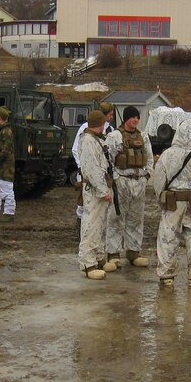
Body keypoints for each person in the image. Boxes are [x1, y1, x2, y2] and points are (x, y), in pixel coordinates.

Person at [151, 119, 191, 288]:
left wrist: (161, 197)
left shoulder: (167, 155)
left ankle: (167, 276)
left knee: (168, 238)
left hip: (172, 202)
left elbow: (158, 180)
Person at [103, 104, 153, 270]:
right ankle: (114, 253)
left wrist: (146, 177)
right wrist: (114, 179)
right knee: (116, 217)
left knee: (136, 219)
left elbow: (150, 158)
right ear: (126, 118)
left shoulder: (143, 137)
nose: (136, 120)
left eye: (137, 117)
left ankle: (134, 252)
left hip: (139, 182)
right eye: (132, 117)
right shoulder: (115, 136)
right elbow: (107, 159)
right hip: (121, 181)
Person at [77, 109, 113, 280]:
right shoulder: (89, 141)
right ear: (101, 124)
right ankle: (87, 263)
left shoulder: (95, 140)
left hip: (99, 187)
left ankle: (98, 258)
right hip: (94, 190)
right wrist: (103, 191)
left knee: (100, 225)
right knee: (91, 225)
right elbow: (92, 170)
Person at [72, 102, 115, 221]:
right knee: (84, 203)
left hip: (103, 175)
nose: (112, 117)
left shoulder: (110, 129)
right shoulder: (86, 129)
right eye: (110, 114)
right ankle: (80, 221)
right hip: (87, 173)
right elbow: (76, 149)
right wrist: (82, 167)